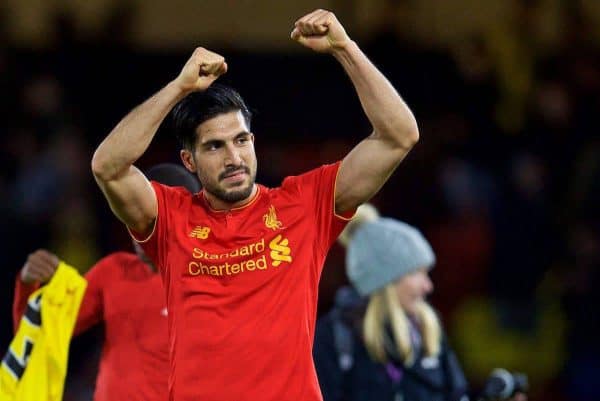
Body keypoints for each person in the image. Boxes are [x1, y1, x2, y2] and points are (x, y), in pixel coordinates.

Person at [91, 8, 419, 401]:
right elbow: (108, 167)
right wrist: (178, 88)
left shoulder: (304, 205)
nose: (234, 157)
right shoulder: (170, 218)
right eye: (215, 146)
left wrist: (345, 49)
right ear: (189, 162)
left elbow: (398, 137)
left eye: (241, 140)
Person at [12, 163, 200, 401]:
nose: (137, 229)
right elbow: (34, 339)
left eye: (150, 218)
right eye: (132, 214)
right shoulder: (113, 272)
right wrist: (29, 284)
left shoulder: (215, 285)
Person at [314, 205, 528, 401]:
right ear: (385, 279)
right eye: (417, 273)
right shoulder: (333, 338)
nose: (428, 286)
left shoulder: (427, 330)